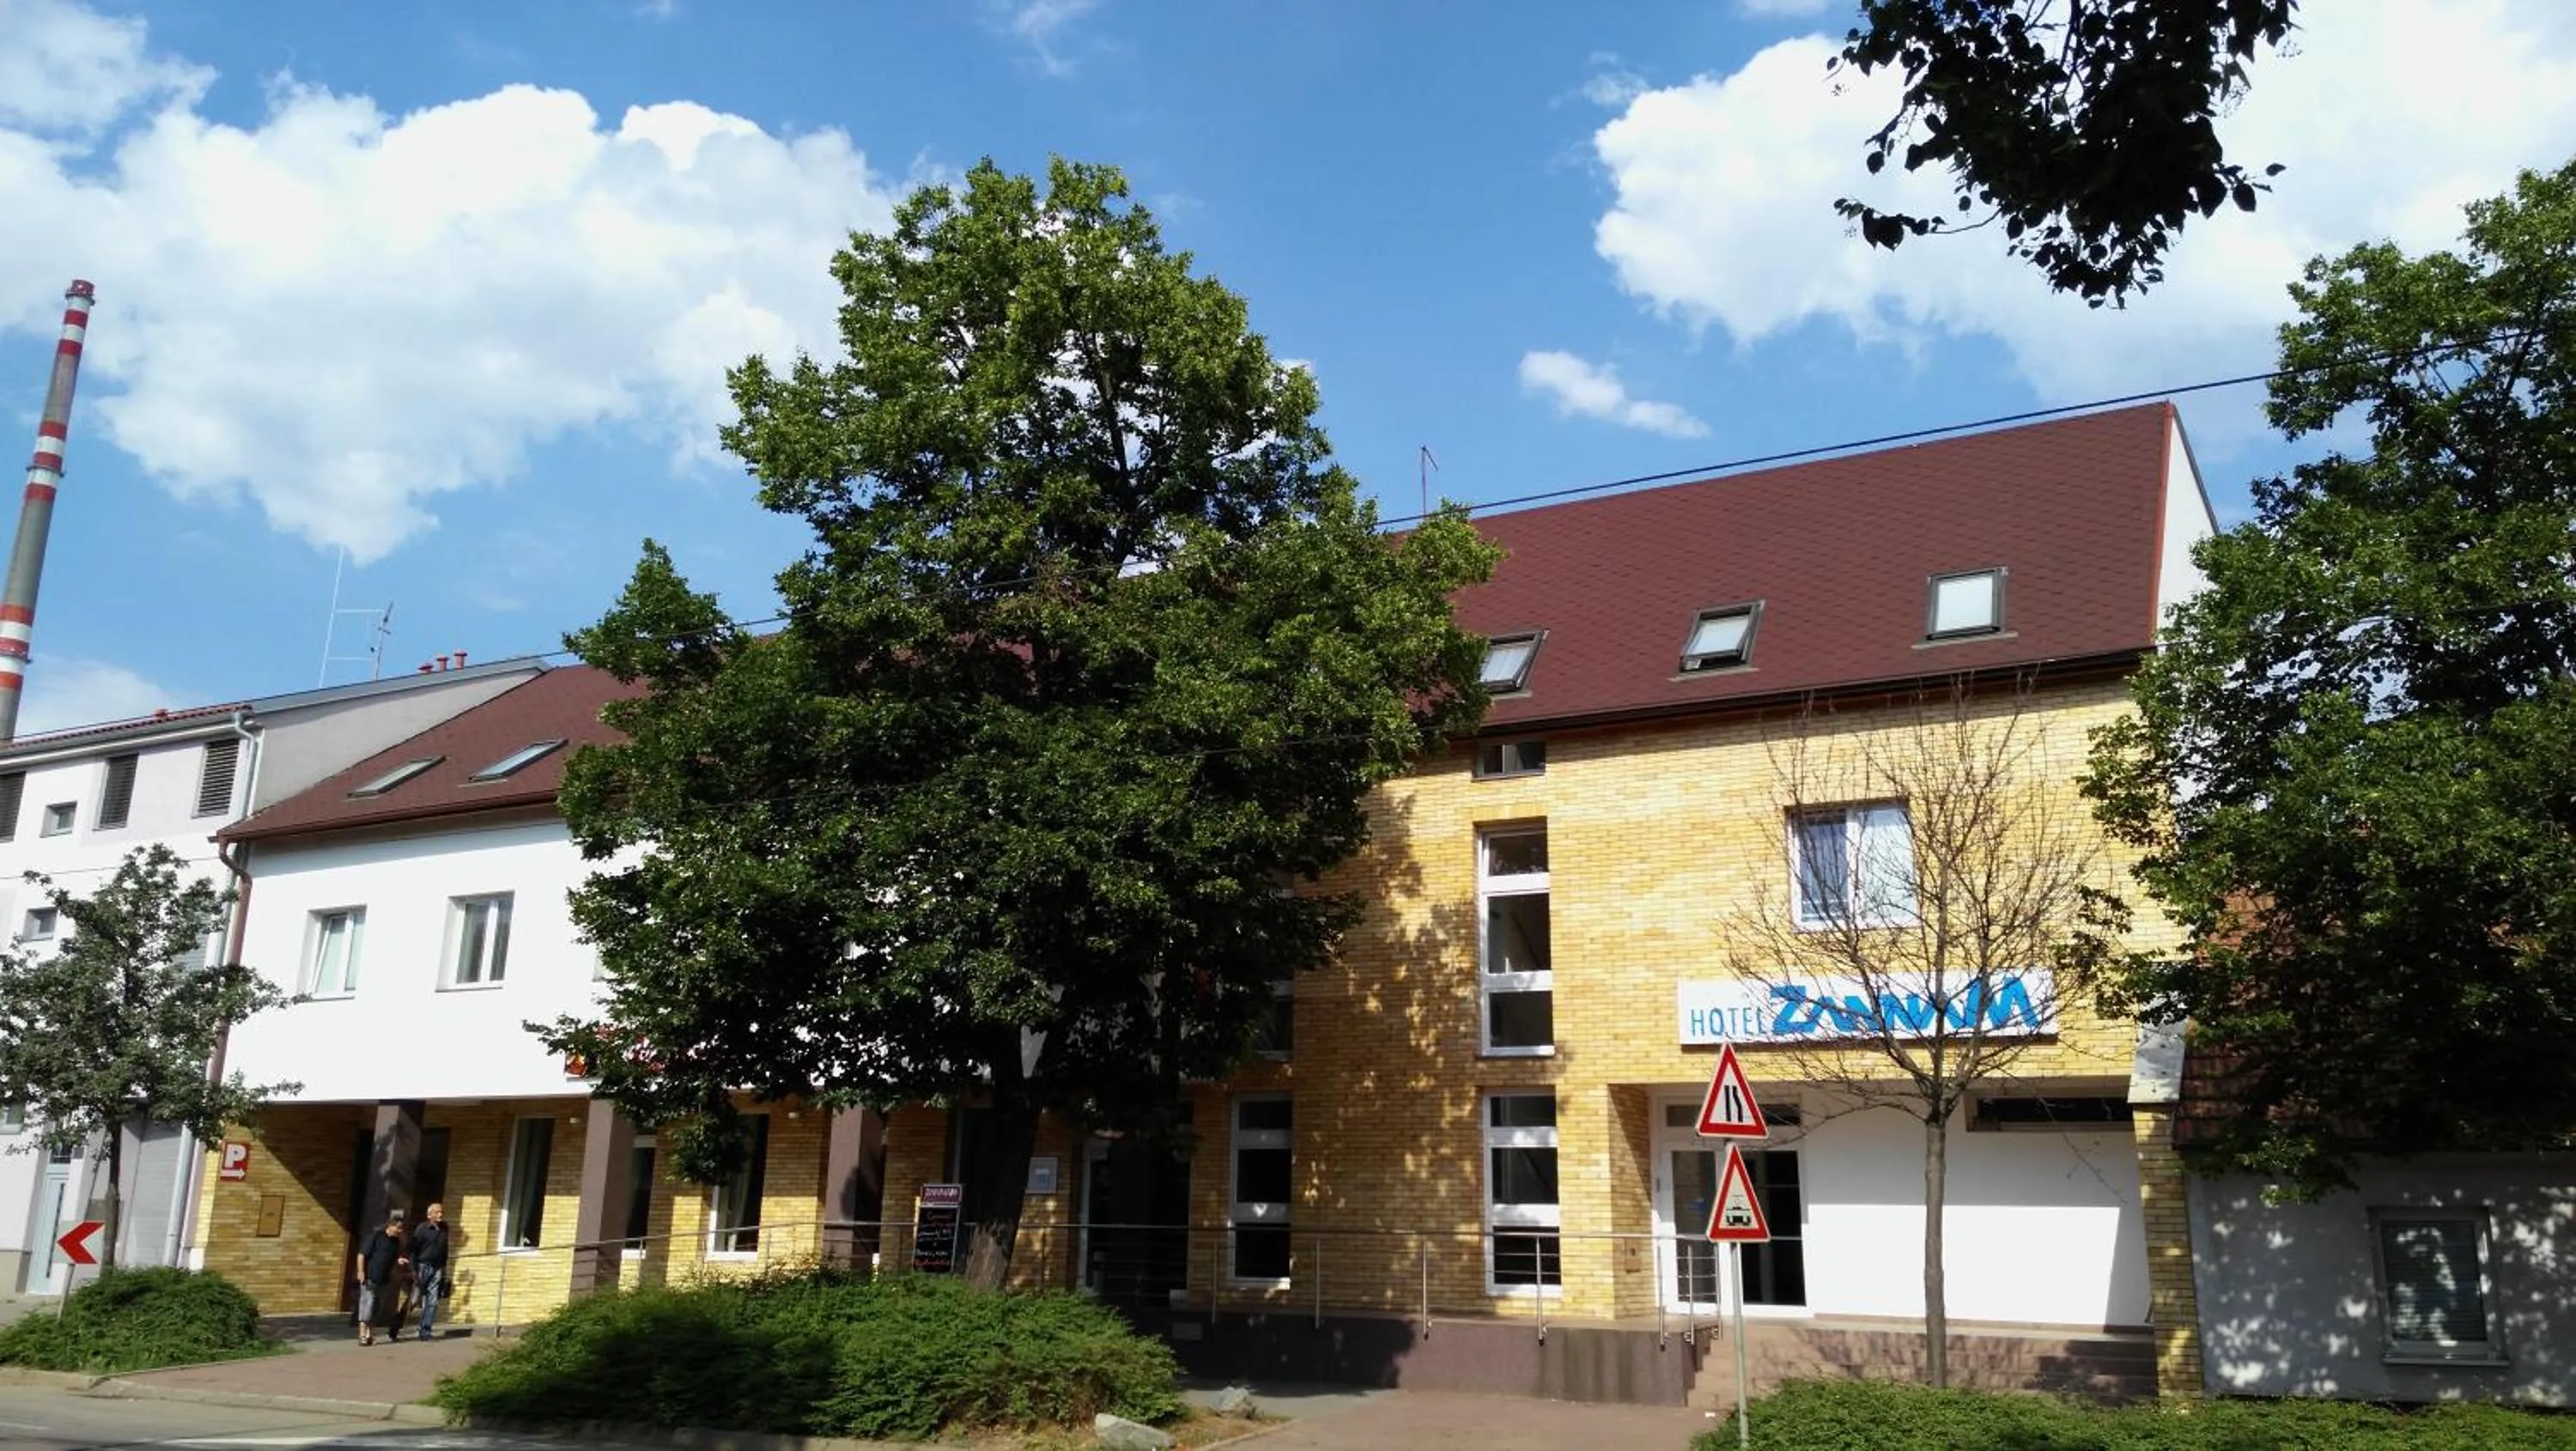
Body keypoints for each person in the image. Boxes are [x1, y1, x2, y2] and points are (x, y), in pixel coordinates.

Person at [353, 1210, 409, 1347]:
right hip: (369, 1276)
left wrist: (399, 1260)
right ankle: (362, 1335)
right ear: (390, 1226)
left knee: (376, 1307)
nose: (400, 1231)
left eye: (401, 1228)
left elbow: (394, 1256)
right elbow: (361, 1254)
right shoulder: (376, 1236)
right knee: (367, 1304)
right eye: (398, 1228)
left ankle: (370, 1335)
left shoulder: (395, 1242)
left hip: (383, 1279)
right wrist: (360, 1272)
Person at [409, 1201, 451, 1341]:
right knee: (414, 1300)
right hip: (422, 1266)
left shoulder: (444, 1228)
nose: (440, 1215)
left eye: (441, 1212)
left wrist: (444, 1268)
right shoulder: (422, 1229)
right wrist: (414, 1270)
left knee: (432, 1300)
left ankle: (425, 1331)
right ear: (430, 1215)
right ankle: (396, 1327)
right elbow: (414, 1250)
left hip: (437, 1267)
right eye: (437, 1212)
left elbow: (445, 1249)